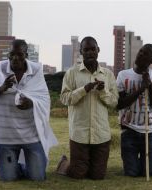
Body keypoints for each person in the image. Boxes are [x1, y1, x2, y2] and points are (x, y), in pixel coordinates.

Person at [0, 39, 58, 181]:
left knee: (37, 177)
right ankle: (16, 165)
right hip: (6, 136)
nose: (15, 58)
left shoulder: (37, 69)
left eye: (19, 54)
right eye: (12, 54)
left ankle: (27, 165)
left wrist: (32, 103)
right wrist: (2, 88)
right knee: (8, 178)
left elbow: (44, 98)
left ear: (26, 55)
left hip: (31, 135)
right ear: (8, 55)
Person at [56, 36, 118, 180]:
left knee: (97, 176)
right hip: (79, 134)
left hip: (101, 134)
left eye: (93, 49)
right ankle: (64, 164)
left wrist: (103, 91)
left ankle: (87, 165)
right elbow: (64, 98)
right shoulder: (72, 73)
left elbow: (114, 102)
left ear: (98, 50)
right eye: (86, 50)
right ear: (81, 52)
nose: (90, 52)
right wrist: (84, 89)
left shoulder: (108, 74)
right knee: (78, 175)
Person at [116, 44, 152, 177]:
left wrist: (149, 87)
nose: (140, 55)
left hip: (149, 131)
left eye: (145, 55)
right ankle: (142, 162)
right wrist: (140, 89)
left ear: (151, 61)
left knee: (150, 171)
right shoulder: (123, 75)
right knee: (131, 173)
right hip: (129, 129)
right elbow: (120, 104)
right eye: (141, 51)